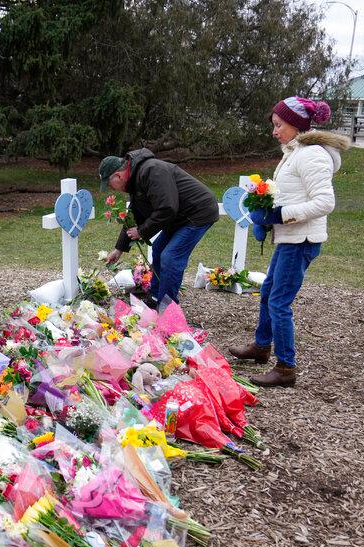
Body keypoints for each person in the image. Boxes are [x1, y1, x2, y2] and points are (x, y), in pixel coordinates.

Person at [229, 96, 350, 387]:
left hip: (301, 240)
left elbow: (324, 202)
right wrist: (266, 212)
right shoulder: (295, 151)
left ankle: (285, 368)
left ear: (296, 124)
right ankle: (261, 347)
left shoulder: (311, 155)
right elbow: (289, 193)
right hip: (290, 238)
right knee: (270, 292)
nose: (274, 131)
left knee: (279, 301)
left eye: (278, 125)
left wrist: (280, 215)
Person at [99, 150, 219, 311]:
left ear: (119, 175)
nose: (111, 188)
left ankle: (167, 308)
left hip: (197, 212)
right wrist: (119, 248)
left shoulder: (152, 170)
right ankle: (156, 297)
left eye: (109, 183)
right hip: (179, 216)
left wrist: (141, 232)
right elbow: (135, 214)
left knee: (171, 256)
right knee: (158, 249)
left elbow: (167, 208)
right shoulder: (136, 177)